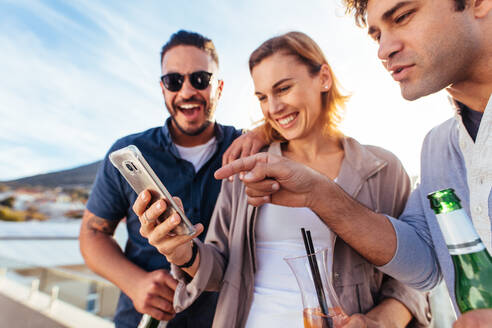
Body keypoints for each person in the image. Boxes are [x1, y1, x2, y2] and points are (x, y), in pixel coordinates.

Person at [216, 1, 492, 327]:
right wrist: (320, 193)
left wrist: (382, 319)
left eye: (402, 16)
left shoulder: (384, 166)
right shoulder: (437, 149)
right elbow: (425, 260)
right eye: (376, 35)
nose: (383, 50)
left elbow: (409, 287)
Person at [134, 31, 430, 328]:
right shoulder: (246, 169)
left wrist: (377, 322)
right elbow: (220, 268)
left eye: (284, 89)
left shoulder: (382, 169)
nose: (273, 108)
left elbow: (417, 274)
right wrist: (182, 252)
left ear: (323, 78)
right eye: (262, 97)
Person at [79, 30, 265, 328]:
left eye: (200, 79)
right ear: (163, 88)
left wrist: (266, 130)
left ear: (218, 86)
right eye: (174, 81)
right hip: (142, 321)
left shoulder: (248, 148)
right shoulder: (128, 152)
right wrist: (135, 283)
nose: (187, 91)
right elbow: (93, 234)